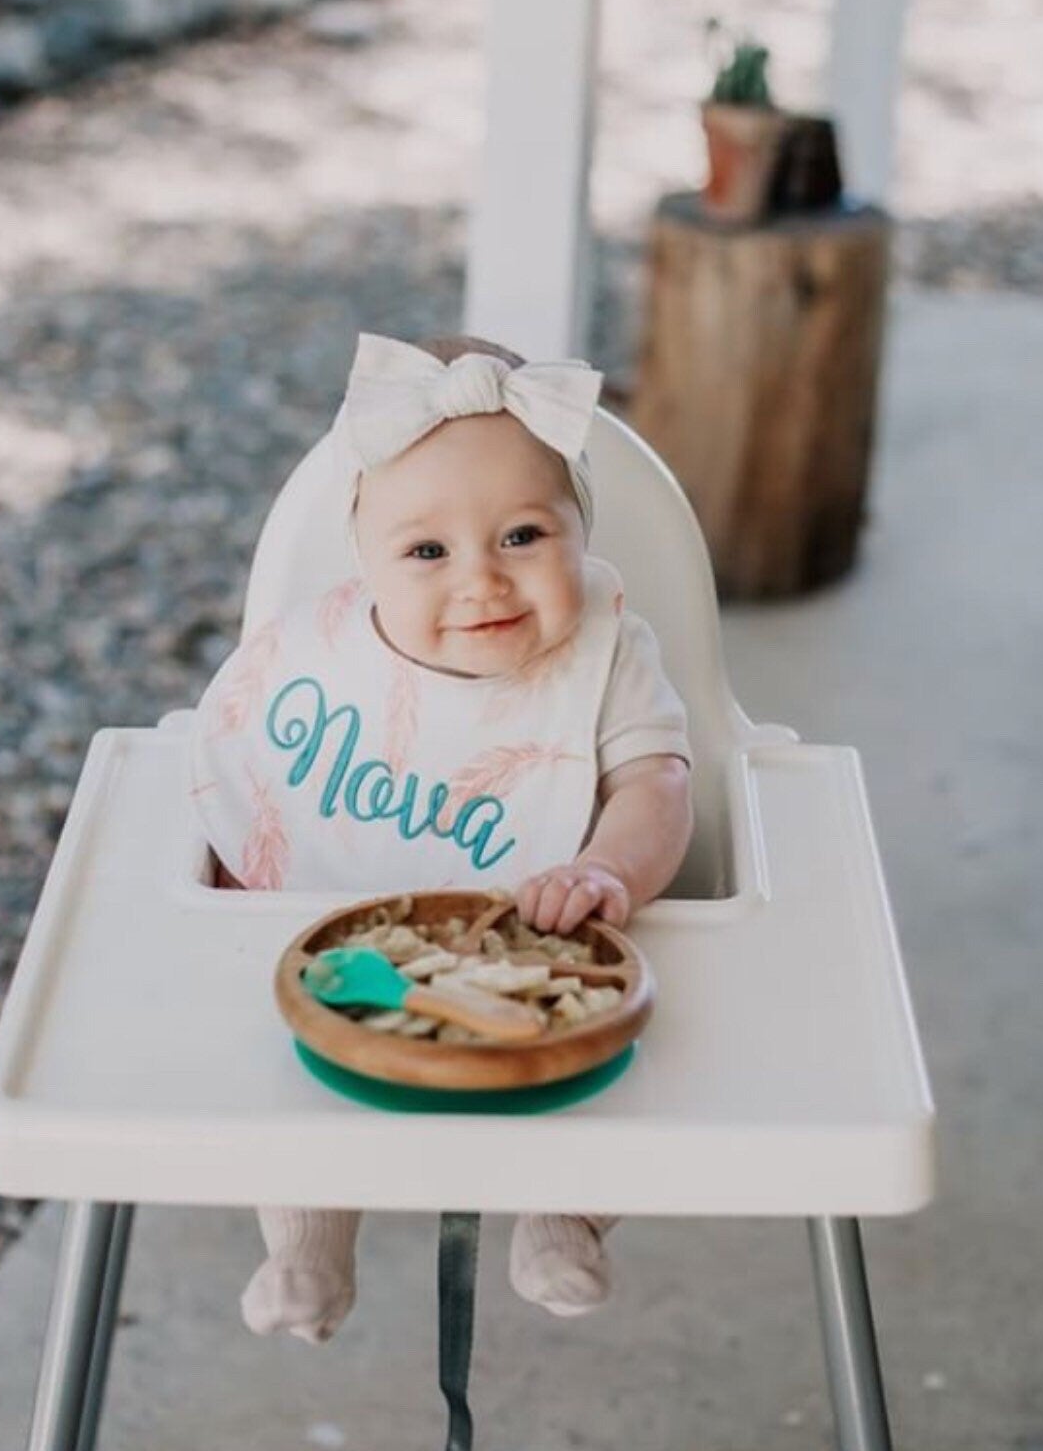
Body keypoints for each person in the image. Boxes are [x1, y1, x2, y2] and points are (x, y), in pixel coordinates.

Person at [188, 331, 693, 1342]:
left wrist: (609, 867)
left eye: (523, 535)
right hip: (345, 941)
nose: (482, 582)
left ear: (579, 533)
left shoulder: (611, 650)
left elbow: (657, 781)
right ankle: (305, 1238)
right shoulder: (323, 660)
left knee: (626, 1065)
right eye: (427, 551)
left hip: (549, 948)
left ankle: (565, 1213)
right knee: (299, 1054)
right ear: (366, 560)